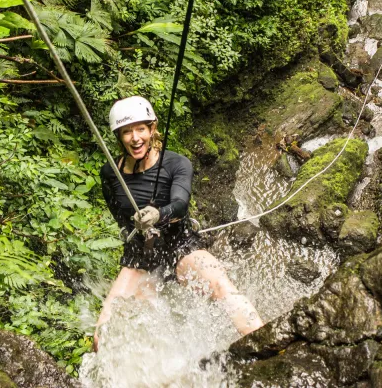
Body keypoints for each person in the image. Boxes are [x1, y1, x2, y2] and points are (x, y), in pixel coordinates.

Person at [94, 96, 263, 350]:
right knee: (103, 334)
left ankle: (266, 343)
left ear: (152, 129)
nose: (135, 138)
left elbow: (181, 204)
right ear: (119, 137)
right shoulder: (111, 173)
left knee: (221, 286)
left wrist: (158, 215)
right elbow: (119, 216)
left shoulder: (176, 164)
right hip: (141, 255)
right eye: (127, 132)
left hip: (181, 245)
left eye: (141, 129)